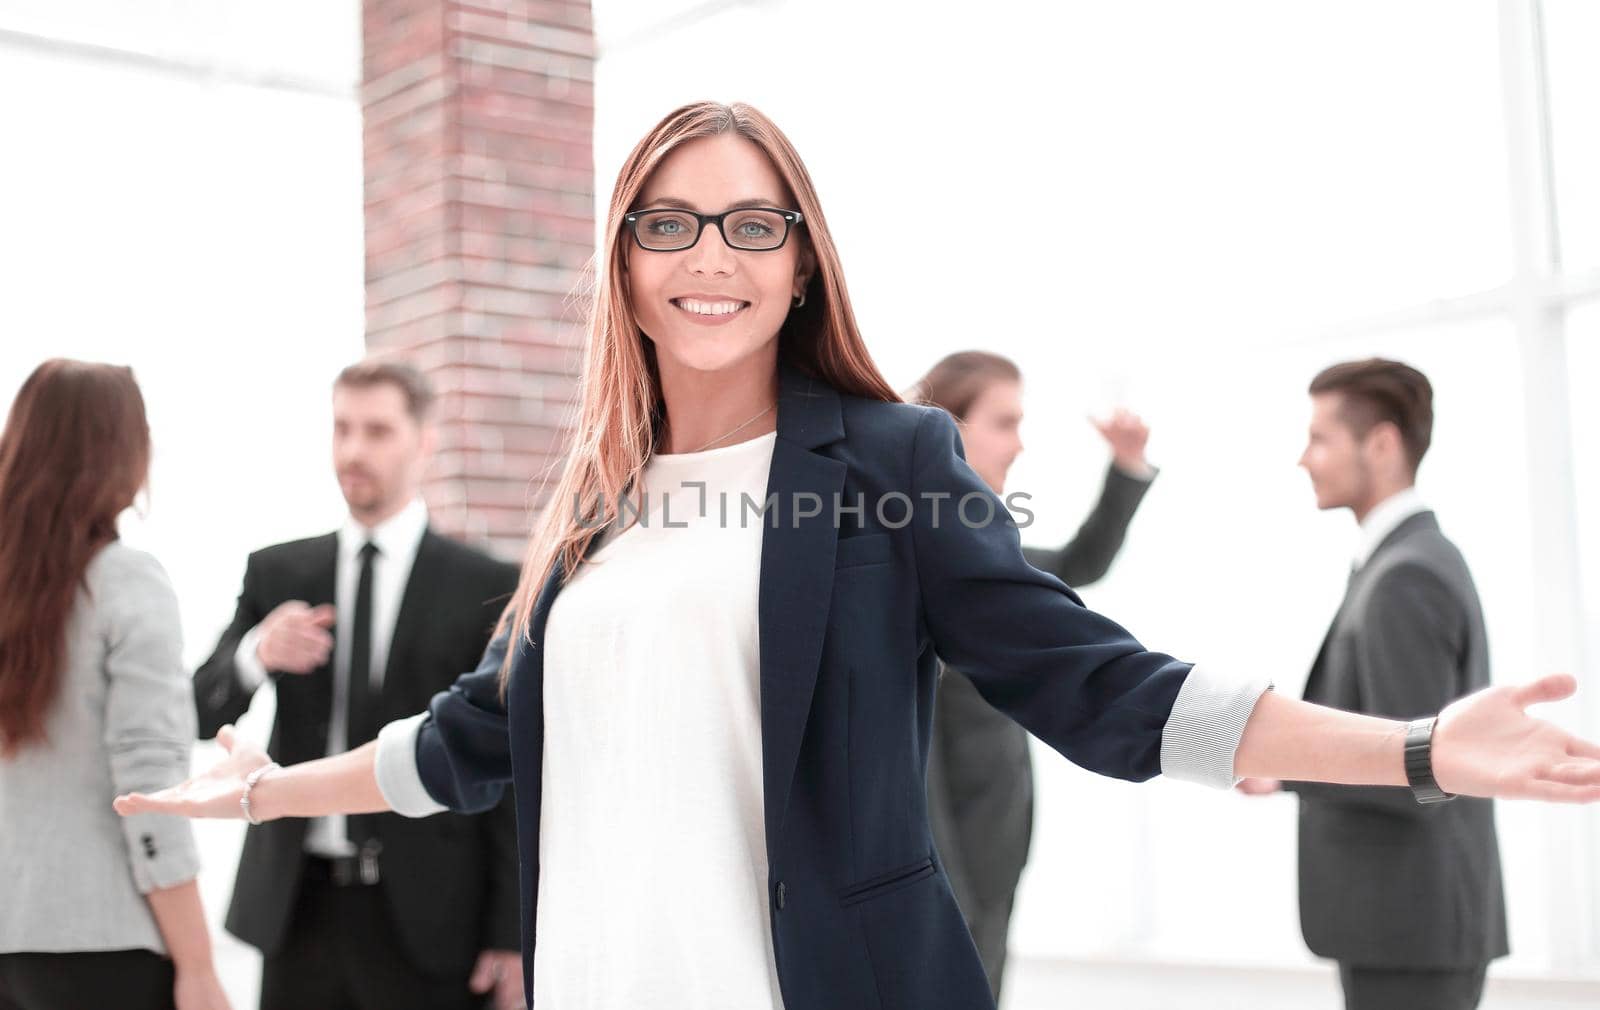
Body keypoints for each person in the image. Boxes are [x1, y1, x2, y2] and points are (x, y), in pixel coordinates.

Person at [118, 102, 1600, 1010]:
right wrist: (266, 788)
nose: (714, 256)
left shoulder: (889, 462)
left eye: (753, 224)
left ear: (803, 257)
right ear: (624, 263)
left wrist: (1414, 750)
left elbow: (1096, 678)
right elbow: (472, 738)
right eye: (674, 223)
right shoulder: (595, 506)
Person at [192, 361, 521, 1010]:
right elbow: (198, 709)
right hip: (298, 908)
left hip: (432, 914)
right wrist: (258, 652)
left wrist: (509, 930)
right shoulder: (279, 569)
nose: (353, 451)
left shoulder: (484, 583)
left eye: (377, 430)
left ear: (424, 440)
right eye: (342, 428)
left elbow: (504, 765)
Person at [1238, 359, 1507, 1010]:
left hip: (1410, 925)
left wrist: (1279, 762)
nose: (1305, 459)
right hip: (1406, 924)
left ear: (1381, 444)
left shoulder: (1406, 577)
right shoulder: (1396, 564)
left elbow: (1411, 763)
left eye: (1320, 438)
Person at [910, 350, 1156, 998]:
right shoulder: (908, 545)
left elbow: (1079, 560)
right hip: (943, 845)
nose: (1019, 444)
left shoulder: (980, 541)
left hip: (994, 827)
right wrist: (942, 879)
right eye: (1004, 422)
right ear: (944, 426)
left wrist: (1126, 467)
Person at [0, 360, 231, 1010]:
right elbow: (148, 788)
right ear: (120, 452)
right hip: (106, 947)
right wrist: (198, 966)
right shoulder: (127, 581)